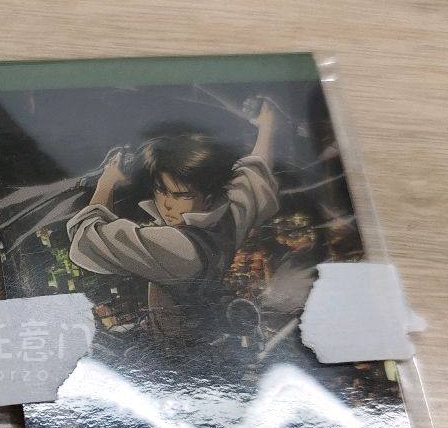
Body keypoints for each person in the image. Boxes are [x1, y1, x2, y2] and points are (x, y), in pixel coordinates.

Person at [66, 102, 285, 342]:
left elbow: (85, 240)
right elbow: (254, 176)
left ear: (207, 198)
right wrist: (267, 127)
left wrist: (107, 182)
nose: (167, 204)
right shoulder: (229, 218)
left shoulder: (178, 248)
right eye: (161, 191)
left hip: (174, 349)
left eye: (182, 195)